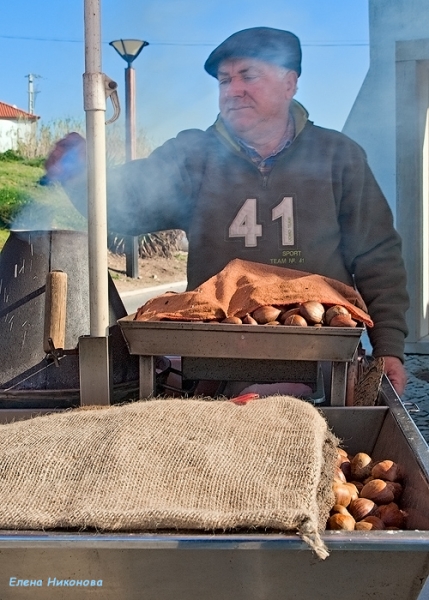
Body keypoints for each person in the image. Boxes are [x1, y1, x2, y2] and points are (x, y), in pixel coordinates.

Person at [43, 27, 409, 396]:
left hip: (323, 363)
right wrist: (80, 175)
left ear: (289, 83)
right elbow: (126, 207)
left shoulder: (338, 155)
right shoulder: (194, 155)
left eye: (248, 75)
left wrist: (389, 347)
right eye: (224, 80)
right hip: (214, 364)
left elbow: (378, 256)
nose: (233, 90)